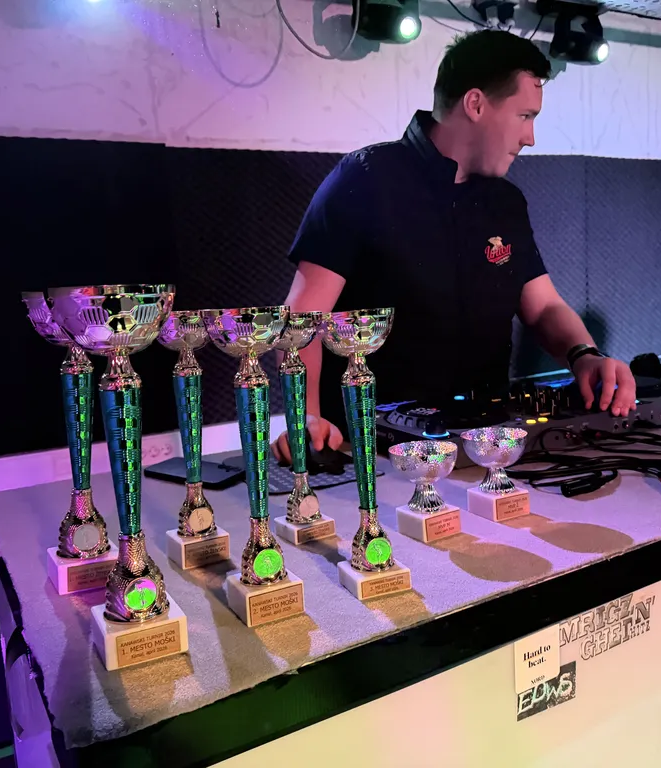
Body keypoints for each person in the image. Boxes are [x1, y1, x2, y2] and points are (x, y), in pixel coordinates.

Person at [272, 29, 636, 463]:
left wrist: (585, 355)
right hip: (376, 456)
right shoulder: (364, 179)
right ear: (475, 104)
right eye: (524, 115)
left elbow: (543, 306)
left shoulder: (506, 202)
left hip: (487, 450)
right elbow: (302, 320)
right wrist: (306, 418)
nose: (530, 137)